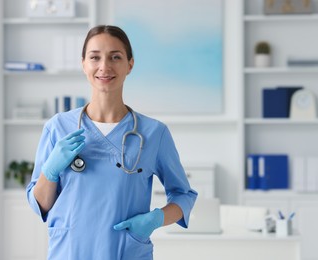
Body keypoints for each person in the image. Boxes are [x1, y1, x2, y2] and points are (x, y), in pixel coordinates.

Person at [26, 25, 198, 260]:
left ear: (130, 64)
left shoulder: (154, 133)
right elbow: (41, 205)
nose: (104, 67)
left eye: (115, 57)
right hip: (70, 252)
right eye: (95, 57)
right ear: (84, 64)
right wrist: (51, 171)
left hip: (126, 252)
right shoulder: (57, 128)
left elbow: (183, 195)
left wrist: (156, 219)